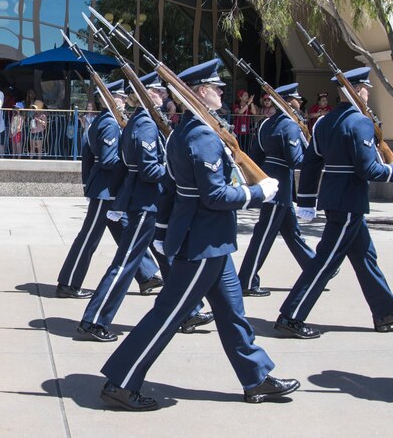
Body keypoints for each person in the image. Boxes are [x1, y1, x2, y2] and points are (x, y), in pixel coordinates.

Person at [99, 59, 298, 410]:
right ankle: (122, 380)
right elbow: (215, 195)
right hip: (202, 242)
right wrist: (257, 193)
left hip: (211, 241)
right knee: (167, 314)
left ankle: (256, 378)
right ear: (201, 93)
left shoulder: (189, 131)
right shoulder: (201, 137)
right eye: (216, 87)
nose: (221, 91)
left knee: (233, 313)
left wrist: (162, 232)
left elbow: (171, 189)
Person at [274, 67, 393, 339]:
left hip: (335, 199)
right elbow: (368, 170)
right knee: (325, 261)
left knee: (365, 257)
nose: (366, 93)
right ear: (358, 90)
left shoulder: (324, 123)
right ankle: (291, 315)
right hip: (350, 201)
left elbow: (311, 162)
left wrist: (306, 199)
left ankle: (385, 310)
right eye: (365, 89)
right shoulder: (360, 123)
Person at [77, 72, 210, 344]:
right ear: (147, 95)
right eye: (158, 92)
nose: (163, 97)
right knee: (125, 264)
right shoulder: (146, 125)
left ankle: (188, 311)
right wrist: (175, 171)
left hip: (149, 202)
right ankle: (94, 320)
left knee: (169, 258)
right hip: (146, 202)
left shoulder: (140, 121)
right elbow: (149, 169)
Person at [56, 80, 161, 301]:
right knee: (89, 238)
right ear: (107, 100)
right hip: (106, 190)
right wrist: (129, 163)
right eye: (119, 97)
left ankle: (146, 275)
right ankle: (68, 283)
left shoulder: (104, 121)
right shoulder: (110, 124)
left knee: (125, 233)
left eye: (123, 97)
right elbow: (107, 160)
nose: (123, 101)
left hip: (108, 189)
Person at [237, 83, 316, 297]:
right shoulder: (290, 126)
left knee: (292, 232)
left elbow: (256, 156)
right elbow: (295, 160)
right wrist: (314, 156)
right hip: (280, 188)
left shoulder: (265, 125)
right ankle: (246, 280)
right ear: (290, 102)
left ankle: (314, 266)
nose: (300, 103)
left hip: (271, 184)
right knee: (263, 235)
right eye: (297, 99)